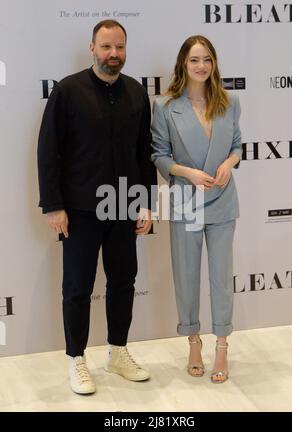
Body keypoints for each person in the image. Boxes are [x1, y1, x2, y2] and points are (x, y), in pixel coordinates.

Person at [37, 20, 157, 394]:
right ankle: (76, 359)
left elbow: (144, 155)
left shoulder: (137, 93)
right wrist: (53, 205)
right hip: (79, 210)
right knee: (77, 286)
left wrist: (147, 204)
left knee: (123, 282)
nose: (113, 54)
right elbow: (48, 150)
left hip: (124, 207)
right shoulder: (68, 90)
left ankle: (117, 352)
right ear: (92, 48)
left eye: (119, 47)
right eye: (106, 47)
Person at [151, 35, 242, 383]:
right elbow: (158, 154)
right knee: (186, 276)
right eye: (194, 60)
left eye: (206, 59)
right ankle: (192, 340)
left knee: (221, 277)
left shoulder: (229, 102)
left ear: (214, 63)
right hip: (185, 200)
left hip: (222, 199)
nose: (201, 66)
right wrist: (186, 172)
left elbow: (236, 144)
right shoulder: (164, 106)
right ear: (183, 65)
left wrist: (230, 163)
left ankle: (222, 346)